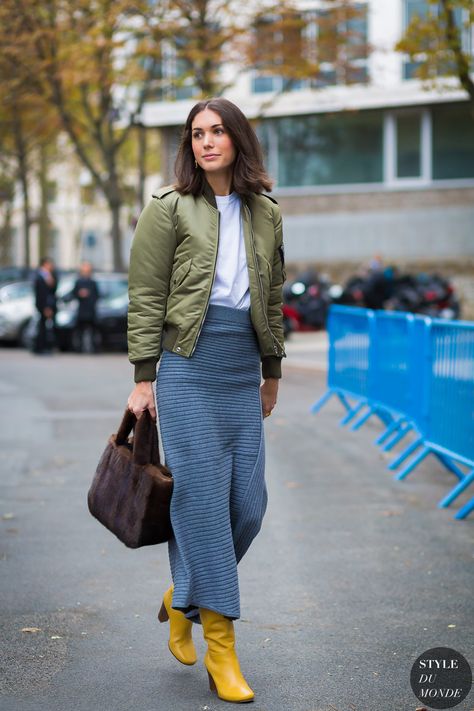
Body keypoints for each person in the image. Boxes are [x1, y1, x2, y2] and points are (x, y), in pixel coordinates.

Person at [126, 97, 286, 703]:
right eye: (197, 134)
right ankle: (222, 649)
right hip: (188, 367)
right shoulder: (168, 209)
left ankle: (182, 593)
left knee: (248, 505)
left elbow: (270, 300)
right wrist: (146, 377)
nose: (207, 142)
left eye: (218, 131)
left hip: (241, 370)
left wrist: (271, 372)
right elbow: (144, 294)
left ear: (238, 139)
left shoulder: (266, 212)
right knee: (199, 504)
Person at [73, 261, 99, 352]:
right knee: (80, 331)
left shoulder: (93, 282)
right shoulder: (78, 282)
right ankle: (79, 348)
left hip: (91, 310)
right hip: (82, 310)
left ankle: (93, 348)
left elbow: (97, 295)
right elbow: (74, 294)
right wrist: (80, 294)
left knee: (93, 331)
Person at [33, 257, 57, 354]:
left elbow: (53, 290)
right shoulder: (40, 276)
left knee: (44, 326)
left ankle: (44, 347)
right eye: (50, 264)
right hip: (43, 305)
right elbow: (42, 294)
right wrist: (46, 307)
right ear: (45, 264)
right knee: (42, 327)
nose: (51, 266)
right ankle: (40, 348)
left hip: (47, 305)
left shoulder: (50, 276)